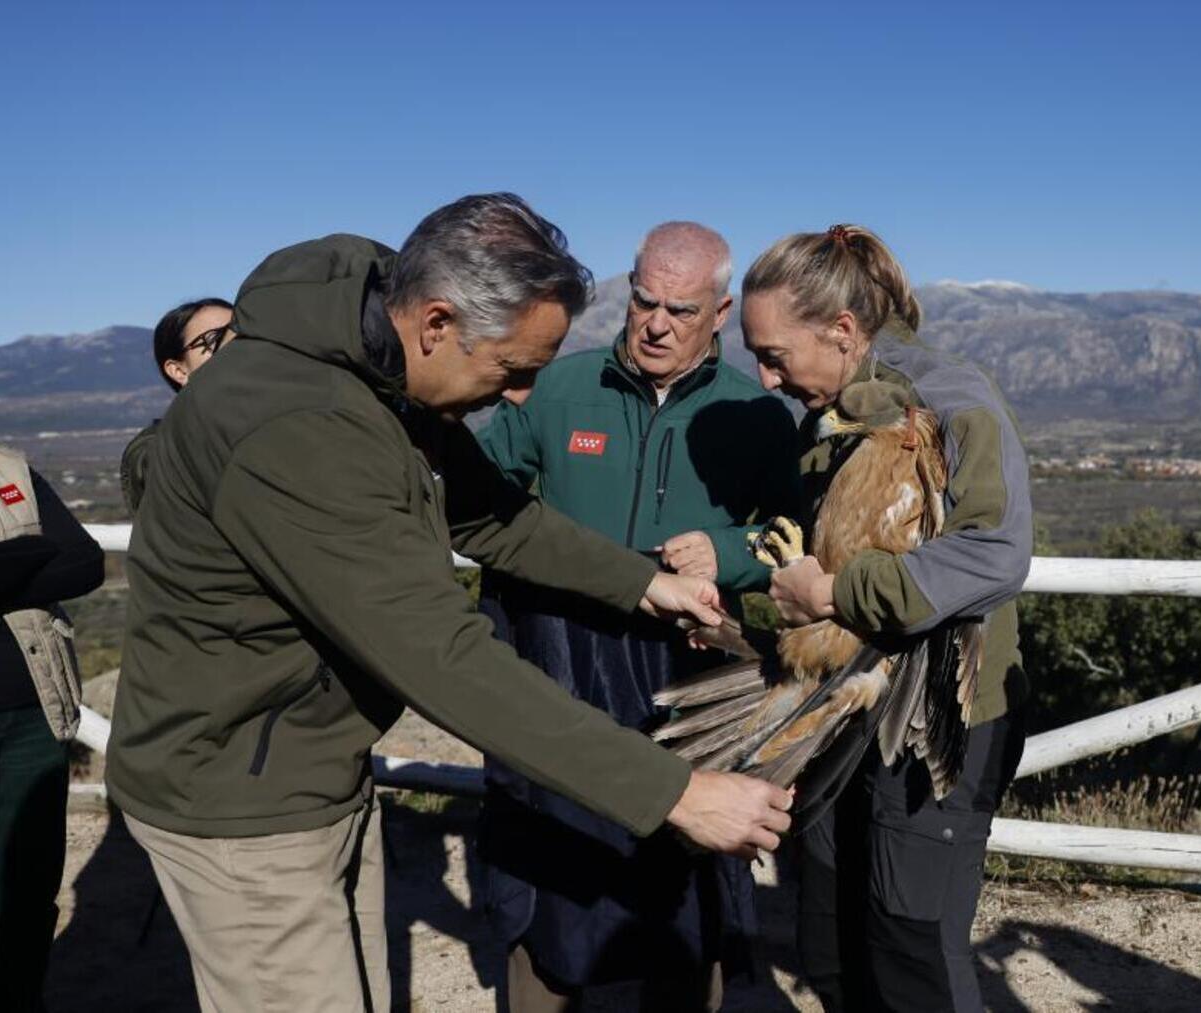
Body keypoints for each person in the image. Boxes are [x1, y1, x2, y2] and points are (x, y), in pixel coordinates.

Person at [104, 193, 795, 1013]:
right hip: (240, 793)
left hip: (309, 763)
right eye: (511, 368)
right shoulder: (302, 428)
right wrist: (676, 792)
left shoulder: (381, 366)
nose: (522, 397)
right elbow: (442, 654)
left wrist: (643, 582)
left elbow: (495, 514)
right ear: (437, 323)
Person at [476, 221, 801, 1011]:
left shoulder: (756, 414)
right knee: (555, 863)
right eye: (643, 300)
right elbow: (478, 490)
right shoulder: (559, 388)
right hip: (560, 669)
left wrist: (728, 551)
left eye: (680, 310)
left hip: (689, 680)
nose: (656, 323)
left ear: (720, 312)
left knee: (682, 872)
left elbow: (799, 536)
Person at [739, 224, 1033, 1012]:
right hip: (843, 706)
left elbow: (995, 554)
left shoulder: (953, 398)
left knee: (913, 954)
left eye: (775, 355)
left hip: (941, 715)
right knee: (830, 939)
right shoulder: (828, 414)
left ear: (841, 329)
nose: (766, 378)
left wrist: (837, 595)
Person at [0, 449, 104, 1012]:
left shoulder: (10, 471)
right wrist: (26, 560)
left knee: (31, 884)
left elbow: (83, 563)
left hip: (33, 714)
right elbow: (52, 561)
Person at [119, 297, 236, 514]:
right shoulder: (155, 448)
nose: (235, 346)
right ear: (179, 371)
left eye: (243, 336)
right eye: (216, 339)